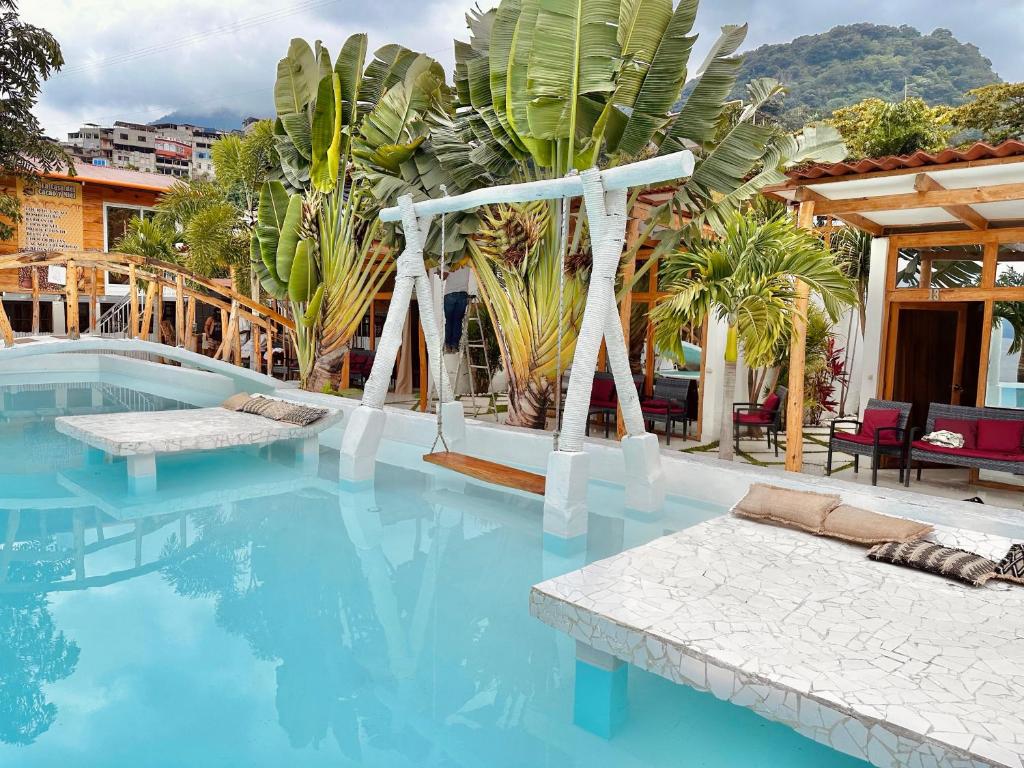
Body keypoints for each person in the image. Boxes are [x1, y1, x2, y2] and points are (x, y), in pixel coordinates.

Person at [442, 266, 472, 353]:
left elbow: (443, 277)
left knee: (449, 320)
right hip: (463, 294)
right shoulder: (467, 263)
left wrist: (440, 272)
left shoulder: (450, 262)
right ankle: (454, 346)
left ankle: (448, 345)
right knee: (457, 321)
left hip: (450, 294)